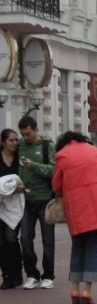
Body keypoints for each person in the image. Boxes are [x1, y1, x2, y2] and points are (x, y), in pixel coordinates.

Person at [52, 131, 97, 304]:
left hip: (75, 207)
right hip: (96, 205)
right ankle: (87, 290)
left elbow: (56, 184)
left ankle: (74, 288)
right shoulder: (93, 150)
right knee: (94, 247)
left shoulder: (62, 155)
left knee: (78, 246)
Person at [17, 116, 56, 290]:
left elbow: (54, 170)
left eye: (28, 134)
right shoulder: (20, 146)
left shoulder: (47, 146)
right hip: (26, 200)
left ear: (35, 130)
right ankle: (32, 274)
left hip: (45, 200)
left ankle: (48, 275)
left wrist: (34, 166)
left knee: (48, 239)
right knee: (25, 238)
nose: (26, 137)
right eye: (23, 135)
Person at [0, 129, 25, 290]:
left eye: (16, 140)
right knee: (0, 242)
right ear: (3, 142)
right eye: (11, 140)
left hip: (15, 205)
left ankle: (17, 274)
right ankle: (7, 276)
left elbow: (24, 180)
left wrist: (19, 188)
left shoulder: (20, 160)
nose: (15, 143)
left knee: (10, 238)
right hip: (0, 203)